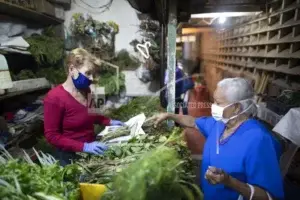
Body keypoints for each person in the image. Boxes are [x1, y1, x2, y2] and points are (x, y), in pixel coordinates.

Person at [153, 77, 284, 200]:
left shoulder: (258, 140)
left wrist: (230, 182)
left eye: (218, 103)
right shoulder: (219, 124)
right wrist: (170, 115)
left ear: (236, 107)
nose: (212, 106)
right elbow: (193, 122)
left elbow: (269, 196)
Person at [43, 48, 124, 166]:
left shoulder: (87, 90)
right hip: (69, 157)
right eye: (88, 73)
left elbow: (94, 115)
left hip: (90, 151)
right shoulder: (54, 98)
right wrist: (84, 147)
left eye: (93, 74)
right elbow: (52, 136)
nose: (91, 78)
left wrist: (109, 121)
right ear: (72, 69)